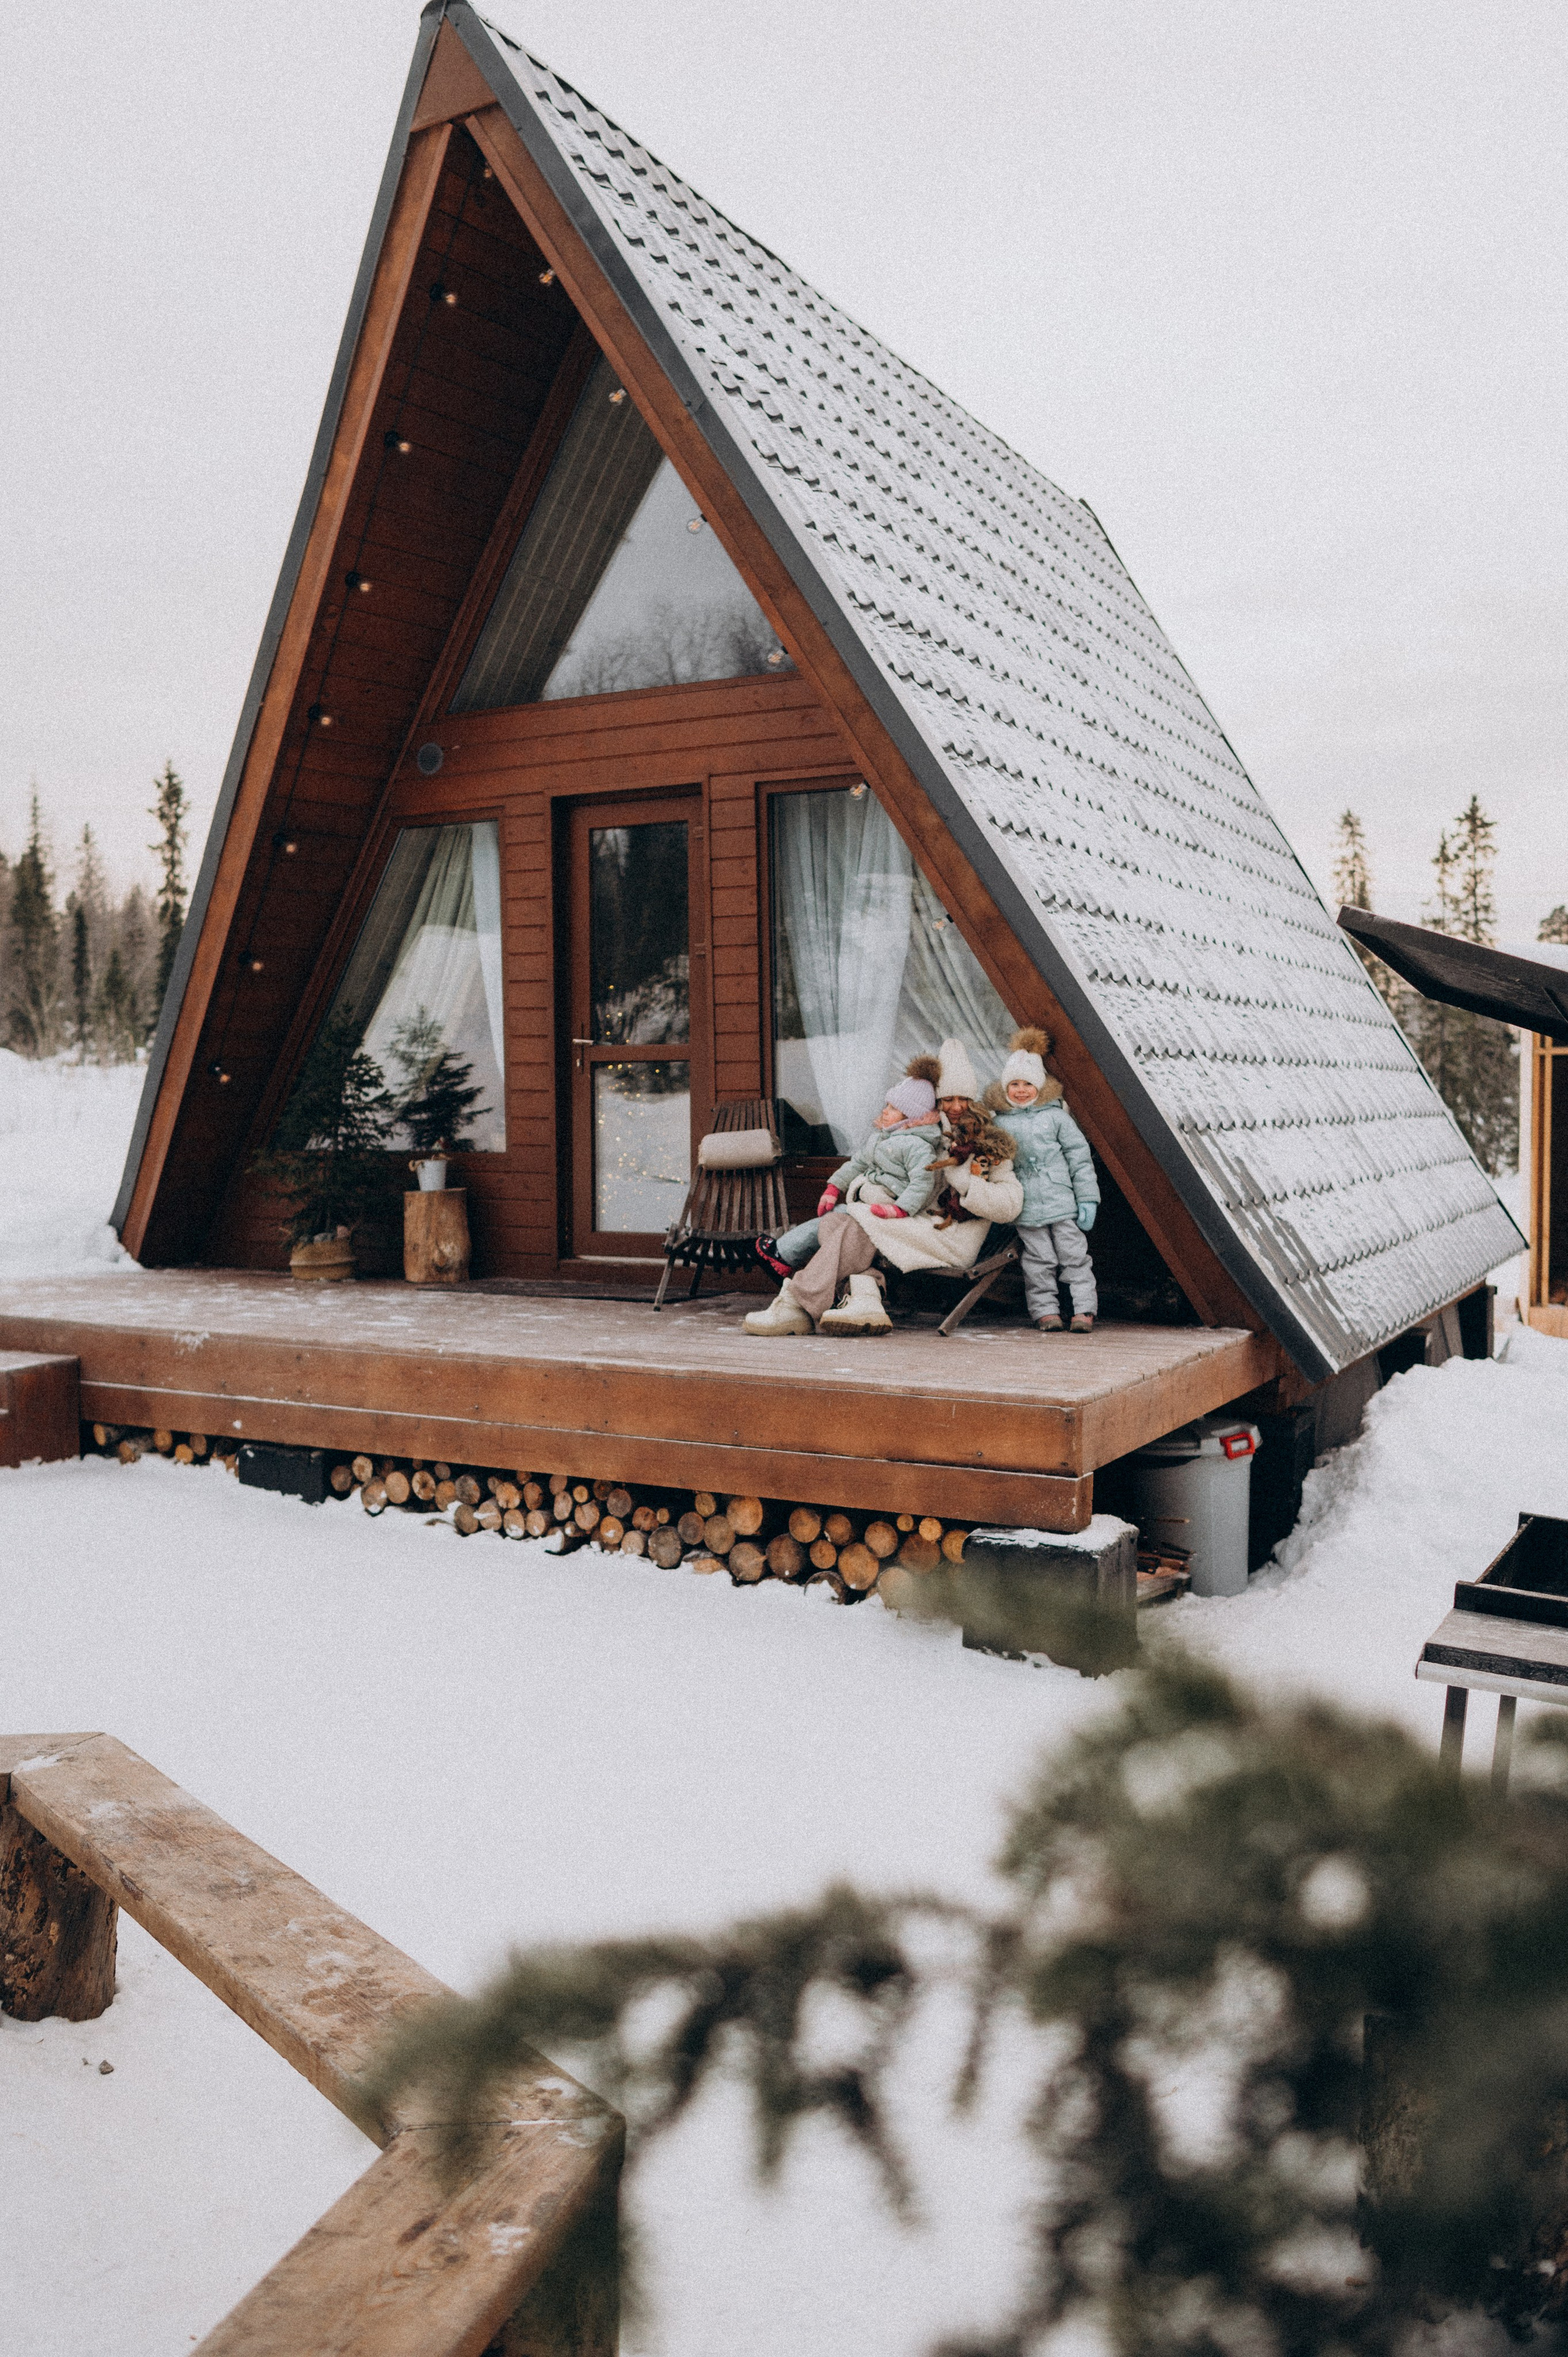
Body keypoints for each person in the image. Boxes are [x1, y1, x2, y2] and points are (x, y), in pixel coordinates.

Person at [747, 1058, 944, 1335]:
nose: (886, 1112)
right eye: (886, 1106)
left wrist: (899, 1209)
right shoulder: (880, 1139)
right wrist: (833, 1188)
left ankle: (798, 1302)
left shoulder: (918, 1146)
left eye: (894, 1109)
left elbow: (922, 1184)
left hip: (891, 1211)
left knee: (849, 1227)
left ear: (912, 1117)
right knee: (831, 1224)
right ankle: (864, 1296)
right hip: (867, 1206)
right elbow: (856, 1164)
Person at [984, 1026, 1099, 1333]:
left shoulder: (1057, 1117)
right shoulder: (999, 1122)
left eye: (1028, 1084)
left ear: (1040, 1087)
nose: (1021, 1090)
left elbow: (1080, 1158)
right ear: (1006, 1088)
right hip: (1027, 1205)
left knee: (1074, 1255)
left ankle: (1083, 1310)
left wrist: (1088, 1198)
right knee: (1038, 1260)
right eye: (1015, 1084)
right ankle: (1046, 1311)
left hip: (1062, 1200)